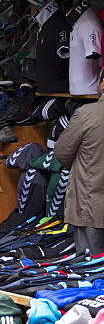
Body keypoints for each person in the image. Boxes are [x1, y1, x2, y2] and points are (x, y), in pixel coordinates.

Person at [56, 66, 104, 256]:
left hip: (92, 204)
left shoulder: (86, 115)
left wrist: (83, 168)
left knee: (91, 269)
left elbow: (62, 151)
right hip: (92, 202)